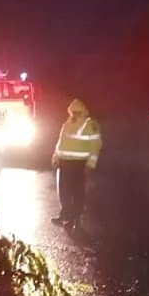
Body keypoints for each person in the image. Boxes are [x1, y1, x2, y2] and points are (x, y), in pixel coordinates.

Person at [50, 98, 102, 231]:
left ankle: (75, 219)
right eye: (73, 112)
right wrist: (56, 156)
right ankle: (66, 215)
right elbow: (60, 142)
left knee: (77, 193)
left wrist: (91, 164)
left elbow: (96, 145)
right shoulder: (67, 124)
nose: (74, 114)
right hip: (64, 163)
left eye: (77, 112)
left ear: (83, 112)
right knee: (64, 192)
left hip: (79, 165)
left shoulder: (90, 124)